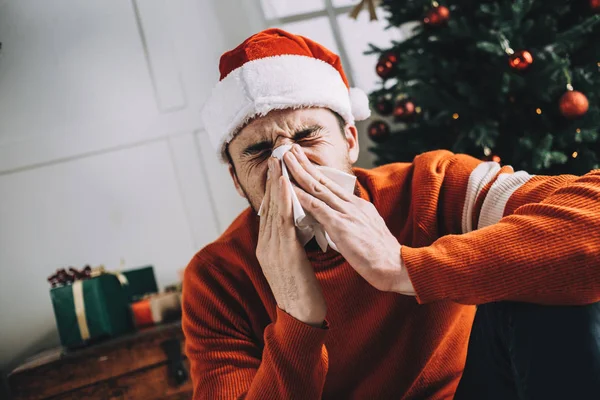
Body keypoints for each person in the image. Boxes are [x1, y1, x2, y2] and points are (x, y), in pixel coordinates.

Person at [182, 28, 600, 399]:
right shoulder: (217, 278)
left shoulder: (430, 187)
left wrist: (405, 268)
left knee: (542, 280)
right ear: (237, 181)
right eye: (258, 152)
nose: (289, 166)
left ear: (349, 141)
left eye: (307, 136)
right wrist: (296, 319)